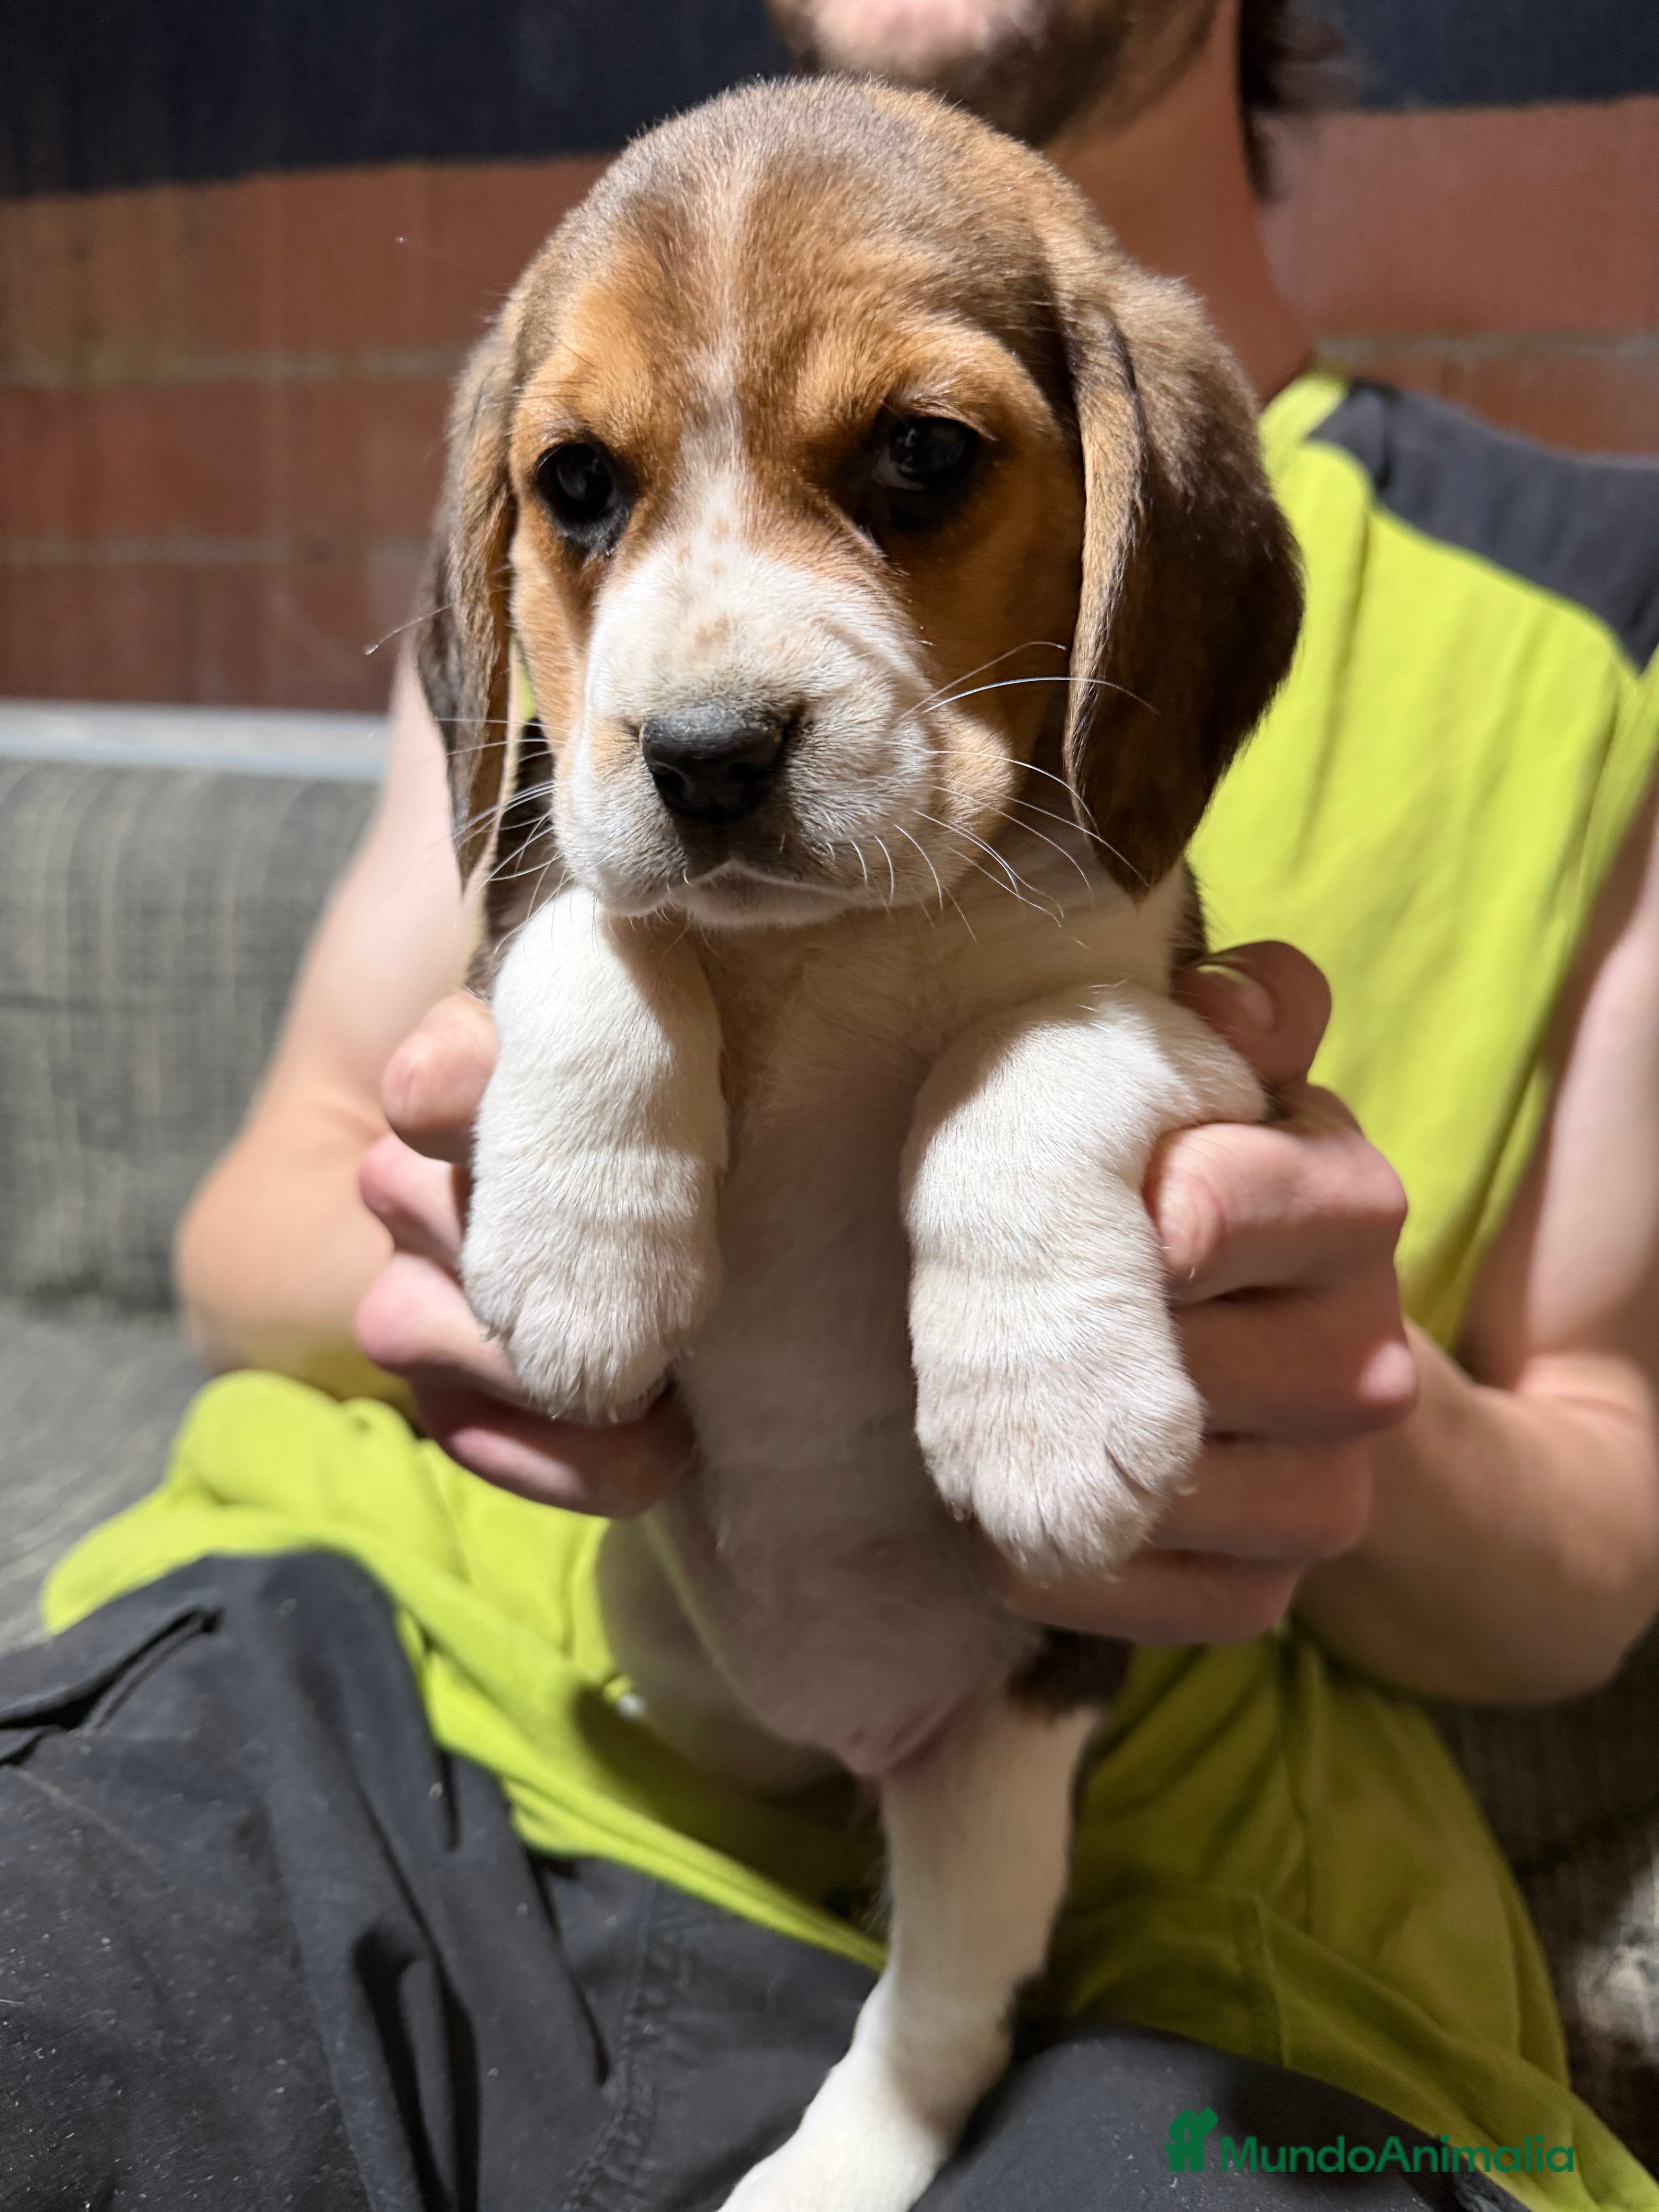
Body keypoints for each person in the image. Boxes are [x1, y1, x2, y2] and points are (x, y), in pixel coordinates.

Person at [6, 3, 1659, 2206]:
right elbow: (264, 1219)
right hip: (388, 1687)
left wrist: (1354, 1410)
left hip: (1161, 1878)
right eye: (587, 493)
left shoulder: (1576, 621)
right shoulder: (568, 555)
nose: (696, 680)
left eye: (918, 464)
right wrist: (478, 1229)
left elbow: (1598, 1538)